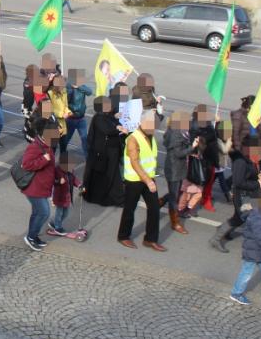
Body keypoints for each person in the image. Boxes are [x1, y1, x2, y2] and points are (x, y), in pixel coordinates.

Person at [117, 111, 166, 252]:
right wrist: (148, 181)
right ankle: (123, 236)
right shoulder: (133, 139)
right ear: (142, 123)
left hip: (148, 177)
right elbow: (134, 162)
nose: (154, 128)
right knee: (129, 209)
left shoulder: (150, 136)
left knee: (154, 208)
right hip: (134, 180)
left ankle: (151, 239)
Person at [210, 137, 261, 253]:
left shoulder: (251, 159)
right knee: (240, 217)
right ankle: (216, 238)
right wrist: (257, 184)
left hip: (248, 194)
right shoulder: (241, 161)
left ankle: (224, 231)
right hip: (241, 195)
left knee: (239, 217)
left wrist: (259, 178)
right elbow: (239, 182)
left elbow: (250, 175)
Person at [20, 117, 57, 251]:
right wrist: (43, 160)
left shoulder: (47, 145)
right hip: (34, 188)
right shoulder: (35, 147)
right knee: (44, 213)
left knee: (37, 213)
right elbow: (26, 164)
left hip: (42, 186)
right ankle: (30, 237)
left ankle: (33, 235)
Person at [82, 96, 125, 207]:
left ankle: (117, 197)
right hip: (104, 153)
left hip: (107, 152)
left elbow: (110, 122)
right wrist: (118, 128)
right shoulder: (99, 118)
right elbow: (107, 129)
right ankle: (117, 198)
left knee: (111, 175)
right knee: (111, 175)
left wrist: (115, 117)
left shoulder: (105, 115)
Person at [161, 110, 195, 234]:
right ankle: (175, 222)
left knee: (175, 192)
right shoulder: (176, 134)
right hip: (174, 168)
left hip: (177, 168)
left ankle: (160, 202)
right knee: (174, 196)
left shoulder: (178, 131)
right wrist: (193, 147)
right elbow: (179, 153)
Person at [48, 152, 82, 235]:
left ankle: (54, 223)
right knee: (59, 213)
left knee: (66, 213)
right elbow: (50, 181)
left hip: (67, 196)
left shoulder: (70, 171)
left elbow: (73, 179)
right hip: (59, 196)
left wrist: (79, 185)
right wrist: (59, 181)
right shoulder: (56, 170)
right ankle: (58, 227)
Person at [65, 70, 93, 156]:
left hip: (81, 119)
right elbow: (66, 100)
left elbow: (89, 92)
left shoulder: (81, 87)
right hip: (71, 119)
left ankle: (88, 160)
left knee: (85, 141)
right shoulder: (68, 87)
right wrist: (72, 88)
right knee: (65, 140)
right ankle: (62, 156)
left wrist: (79, 87)